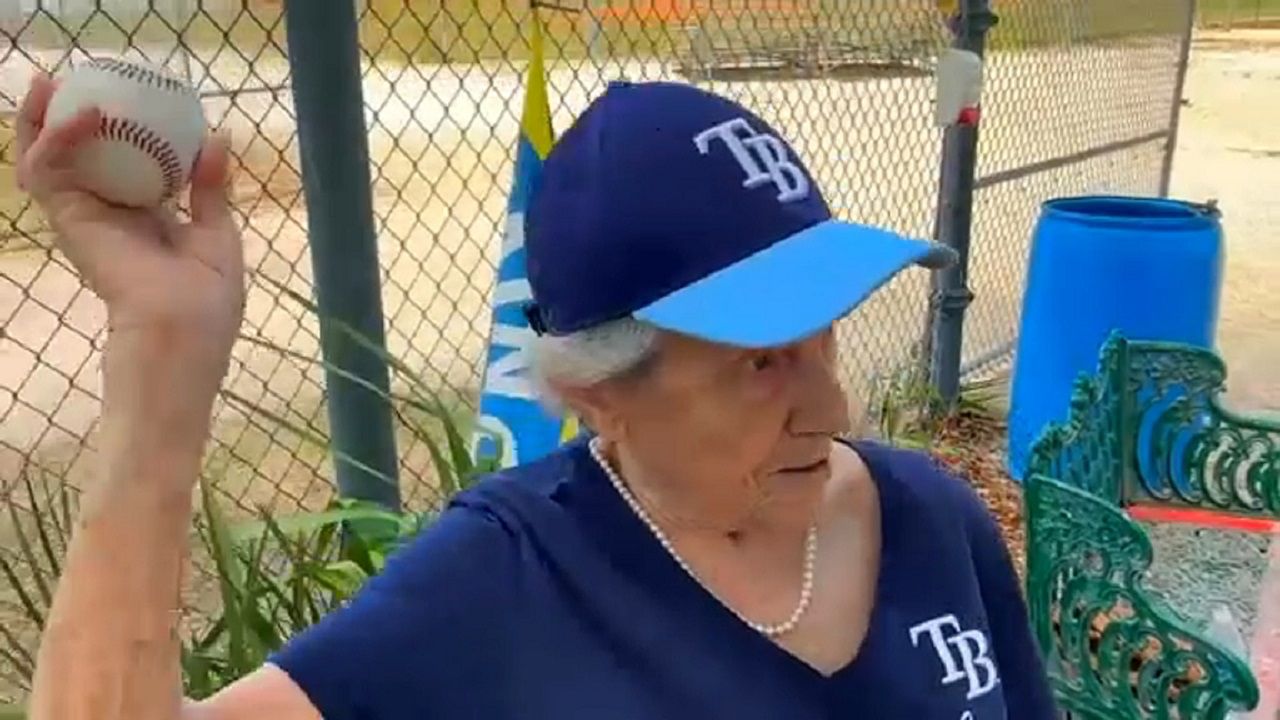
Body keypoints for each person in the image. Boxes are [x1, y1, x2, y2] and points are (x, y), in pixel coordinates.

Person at [16, 75, 1056, 719]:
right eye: (759, 362)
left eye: (823, 337)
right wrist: (164, 358)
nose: (831, 413)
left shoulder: (931, 517)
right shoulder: (506, 579)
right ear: (599, 394)